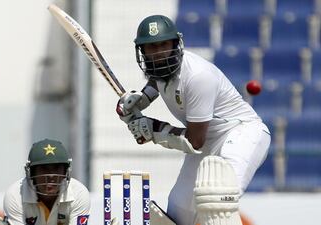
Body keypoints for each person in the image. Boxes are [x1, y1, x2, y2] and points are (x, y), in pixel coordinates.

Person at [116, 15, 271, 225]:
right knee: (179, 209)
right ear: (142, 51)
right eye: (151, 47)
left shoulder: (199, 76)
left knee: (219, 194)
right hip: (208, 139)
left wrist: (153, 130)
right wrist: (142, 99)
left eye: (163, 44)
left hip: (240, 133)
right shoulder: (162, 70)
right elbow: (158, 79)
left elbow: (194, 141)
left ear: (175, 45)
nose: (159, 53)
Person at [0, 139, 91, 225]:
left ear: (66, 172)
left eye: (56, 167)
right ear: (31, 173)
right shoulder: (16, 195)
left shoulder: (79, 194)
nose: (51, 175)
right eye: (44, 168)